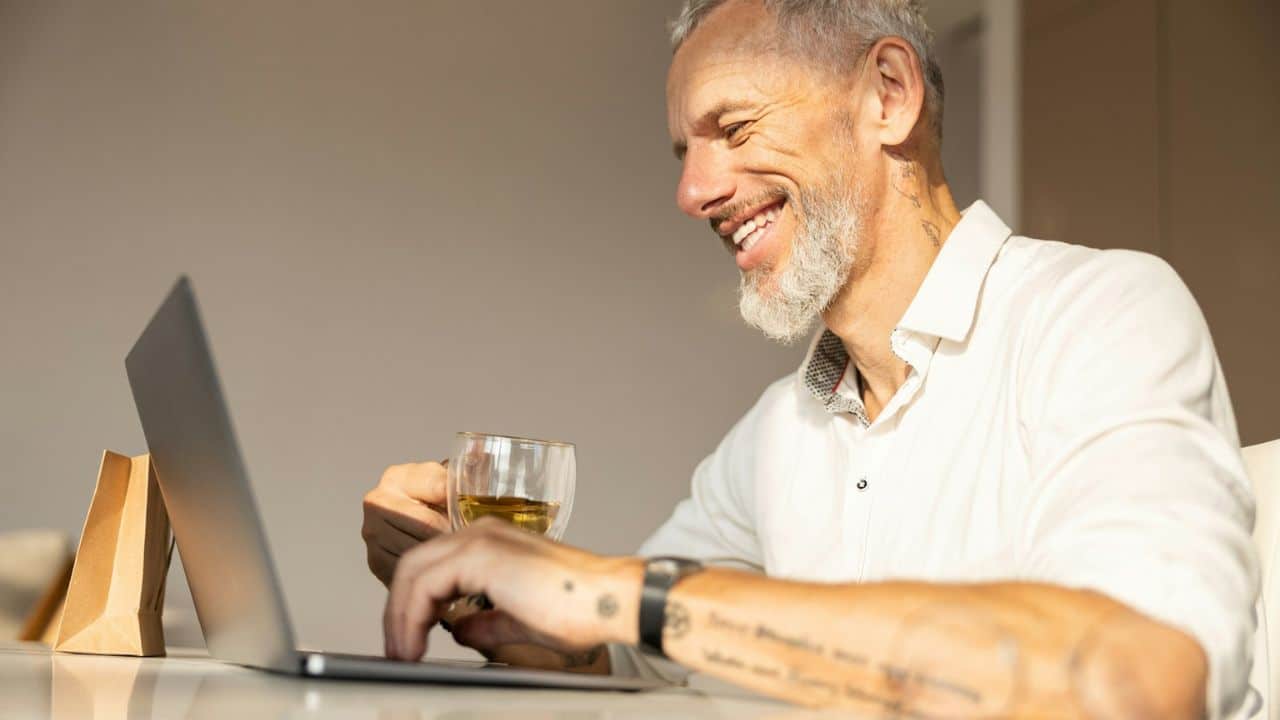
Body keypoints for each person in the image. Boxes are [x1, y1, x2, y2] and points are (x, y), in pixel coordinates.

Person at [361, 1, 1258, 716]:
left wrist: (608, 591)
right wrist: (488, 586)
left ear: (887, 95)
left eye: (736, 128)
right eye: (686, 153)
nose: (692, 192)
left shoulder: (1102, 317)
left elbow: (1138, 684)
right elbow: (626, 655)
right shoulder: (774, 434)